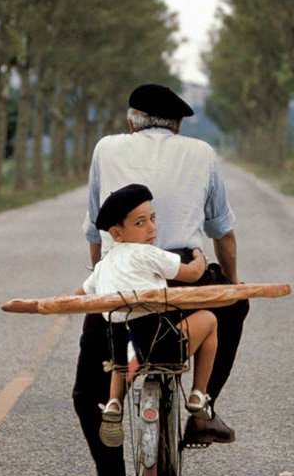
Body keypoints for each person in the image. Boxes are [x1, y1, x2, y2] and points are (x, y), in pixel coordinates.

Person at [73, 82, 250, 476]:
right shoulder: (203, 153)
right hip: (182, 274)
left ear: (131, 121)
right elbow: (222, 233)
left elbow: (96, 231)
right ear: (177, 125)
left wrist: (102, 282)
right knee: (233, 304)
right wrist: (230, 282)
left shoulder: (106, 149)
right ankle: (202, 405)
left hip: (122, 285)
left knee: (87, 389)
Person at [78, 183, 218, 447]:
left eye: (152, 219)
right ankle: (199, 393)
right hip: (162, 345)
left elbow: (80, 294)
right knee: (209, 320)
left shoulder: (104, 265)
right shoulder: (148, 254)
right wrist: (199, 255)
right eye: (141, 223)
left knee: (123, 339)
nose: (152, 228)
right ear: (118, 233)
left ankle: (114, 402)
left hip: (125, 352)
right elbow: (192, 274)